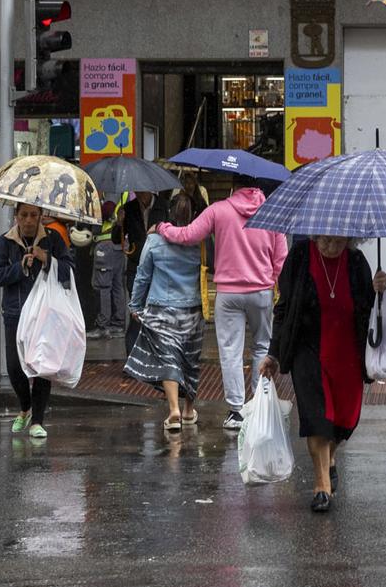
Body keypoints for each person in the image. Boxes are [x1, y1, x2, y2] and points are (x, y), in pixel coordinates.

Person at [261, 236, 386, 514]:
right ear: (315, 233)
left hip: (348, 354)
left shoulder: (356, 262)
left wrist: (379, 291)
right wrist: (274, 353)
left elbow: (371, 310)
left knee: (344, 419)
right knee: (316, 417)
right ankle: (321, 486)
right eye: (326, 239)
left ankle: (330, 456)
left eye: (339, 239)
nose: (331, 245)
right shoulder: (299, 256)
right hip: (308, 351)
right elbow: (283, 308)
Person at [158, 178, 288, 432]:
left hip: (228, 292)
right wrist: (272, 281)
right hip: (261, 290)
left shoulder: (220, 209)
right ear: (257, 188)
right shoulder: (273, 211)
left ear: (233, 187)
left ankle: (236, 411)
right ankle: (260, 405)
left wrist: (163, 228)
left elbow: (188, 235)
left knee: (230, 350)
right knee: (262, 345)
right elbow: (281, 257)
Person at [0, 202, 74, 440]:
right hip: (15, 312)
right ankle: (25, 407)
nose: (28, 220)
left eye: (33, 215)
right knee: (15, 368)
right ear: (16, 216)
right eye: (23, 215)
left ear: (40, 216)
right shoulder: (6, 241)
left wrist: (47, 259)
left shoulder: (53, 238)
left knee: (43, 368)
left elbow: (69, 269)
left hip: (46, 314)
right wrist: (19, 267)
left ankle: (37, 421)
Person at [125, 193, 205, 432]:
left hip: (161, 308)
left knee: (168, 358)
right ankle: (189, 410)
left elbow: (142, 275)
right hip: (192, 308)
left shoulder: (155, 241)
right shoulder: (200, 241)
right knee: (189, 359)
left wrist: (135, 306)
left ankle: (174, 411)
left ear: (169, 214)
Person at [93, 202, 131, 340]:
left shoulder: (111, 191)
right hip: (118, 245)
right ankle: (118, 323)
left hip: (107, 244)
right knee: (117, 285)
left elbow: (108, 212)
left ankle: (103, 326)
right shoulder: (127, 190)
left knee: (104, 286)